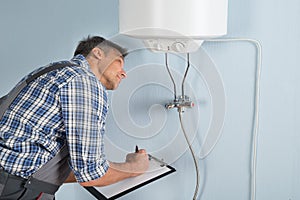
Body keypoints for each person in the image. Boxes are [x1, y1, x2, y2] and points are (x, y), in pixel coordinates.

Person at [0, 36, 149, 199]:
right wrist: (134, 167)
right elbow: (91, 174)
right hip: (15, 189)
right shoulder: (84, 81)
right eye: (119, 62)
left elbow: (45, 163)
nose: (124, 73)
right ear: (97, 53)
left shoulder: (50, 72)